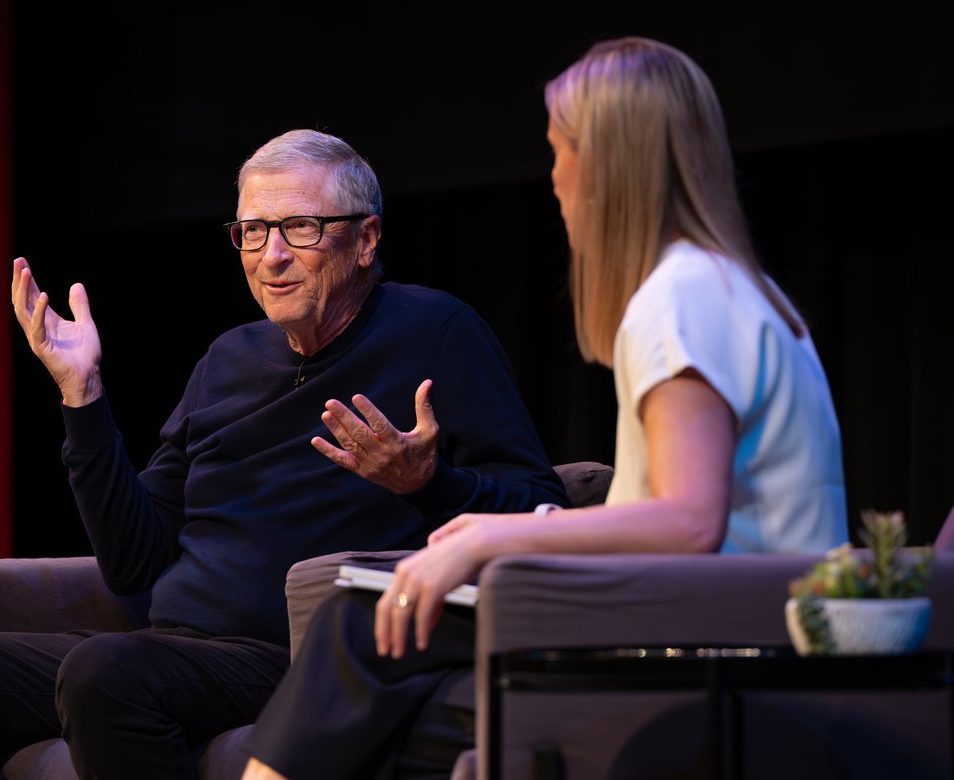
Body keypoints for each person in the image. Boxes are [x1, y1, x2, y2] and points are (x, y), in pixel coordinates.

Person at [241, 37, 849, 780]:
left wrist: (491, 541)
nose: (554, 177)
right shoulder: (727, 286)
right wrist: (528, 530)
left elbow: (691, 520)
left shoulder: (682, 297)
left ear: (607, 164)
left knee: (361, 627)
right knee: (396, 664)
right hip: (729, 609)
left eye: (561, 152)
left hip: (722, 628)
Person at [0, 129, 569, 780]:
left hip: (303, 656)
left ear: (366, 239)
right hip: (174, 651)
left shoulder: (436, 332)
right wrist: (84, 395)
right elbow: (134, 563)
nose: (270, 255)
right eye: (252, 231)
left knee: (108, 673)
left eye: (299, 227)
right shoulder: (228, 359)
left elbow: (544, 506)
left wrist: (429, 482)